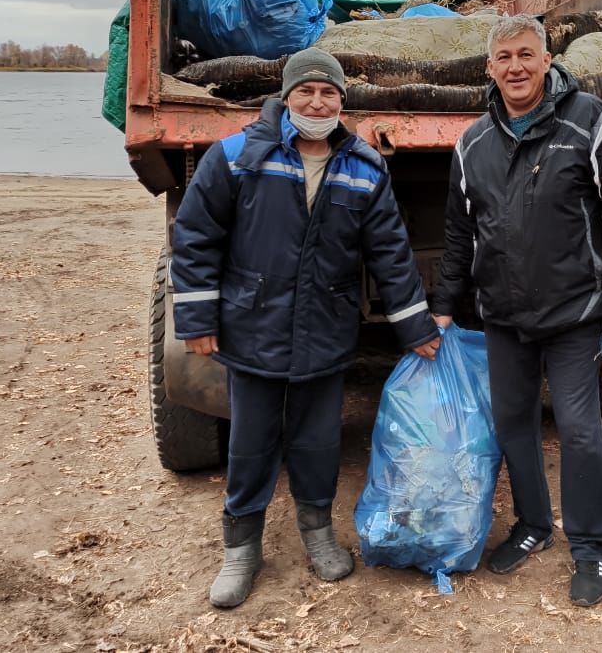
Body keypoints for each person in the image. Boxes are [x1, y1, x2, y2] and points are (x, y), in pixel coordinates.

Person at [171, 47, 440, 608]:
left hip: (325, 330)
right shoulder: (238, 156)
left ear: (343, 102)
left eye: (329, 94)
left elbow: (390, 252)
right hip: (254, 327)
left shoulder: (365, 167)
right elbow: (196, 237)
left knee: (318, 442)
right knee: (250, 443)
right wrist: (196, 318)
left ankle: (317, 532)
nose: (317, 103)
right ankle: (241, 548)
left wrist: (416, 328)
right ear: (286, 97)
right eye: (306, 92)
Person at [431, 14, 602, 607]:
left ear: (548, 59)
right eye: (504, 58)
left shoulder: (591, 123)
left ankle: (589, 548)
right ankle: (533, 525)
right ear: (488, 68)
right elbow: (460, 233)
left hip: (576, 311)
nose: (516, 68)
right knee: (513, 425)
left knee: (580, 432)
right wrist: (445, 307)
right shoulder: (472, 141)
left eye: (526, 55)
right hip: (503, 315)